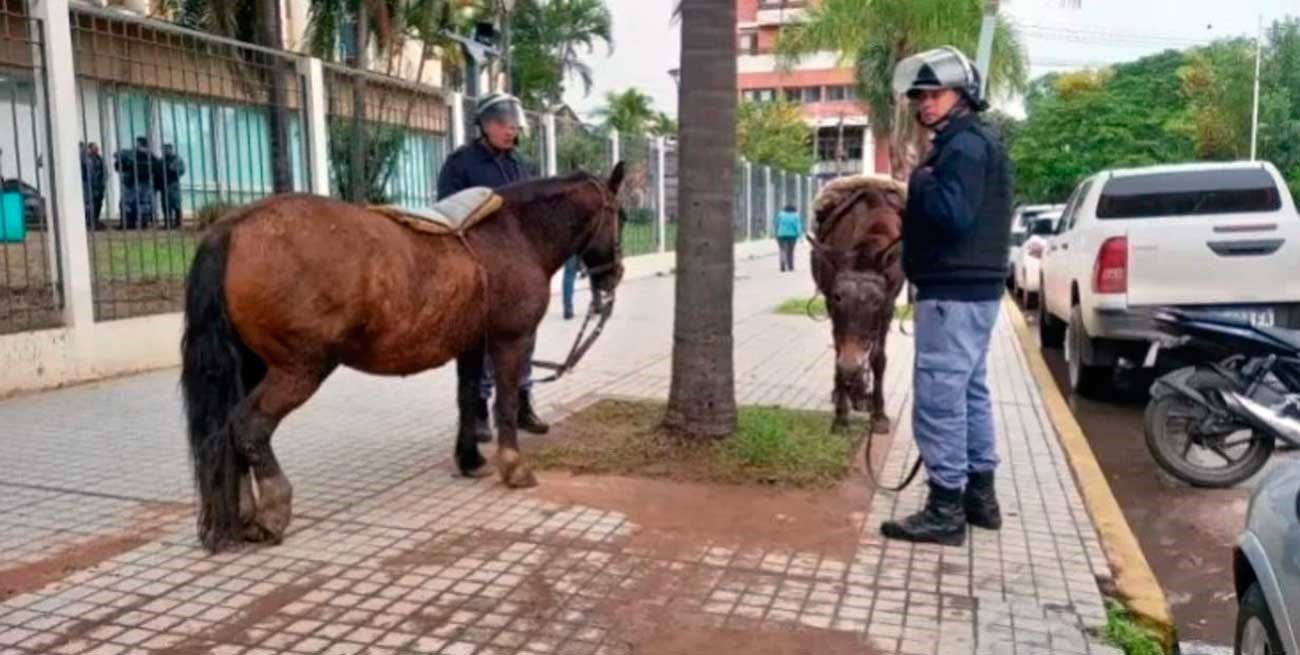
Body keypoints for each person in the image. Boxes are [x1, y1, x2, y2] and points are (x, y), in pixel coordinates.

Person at [879, 47, 1013, 546]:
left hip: (952, 294)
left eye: (935, 93)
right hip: (975, 292)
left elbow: (953, 215)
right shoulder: (980, 143)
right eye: (920, 96)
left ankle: (945, 510)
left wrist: (918, 179)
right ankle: (981, 498)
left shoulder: (961, 148)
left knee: (939, 399)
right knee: (969, 393)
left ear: (963, 95)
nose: (925, 103)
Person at [436, 92, 549, 440]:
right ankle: (479, 413)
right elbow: (447, 211)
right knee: (483, 344)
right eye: (502, 123)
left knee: (523, 339)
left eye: (513, 124)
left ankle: (521, 404)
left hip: (519, 269)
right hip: (480, 267)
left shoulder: (521, 165)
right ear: (484, 125)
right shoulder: (462, 164)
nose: (510, 130)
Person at [115, 137, 157, 230]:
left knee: (127, 203)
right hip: (146, 183)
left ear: (139, 144)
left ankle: (128, 224)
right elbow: (157, 169)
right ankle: (143, 223)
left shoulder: (131, 155)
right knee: (143, 203)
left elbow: (119, 165)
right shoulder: (151, 156)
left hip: (132, 183)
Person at [157, 143, 186, 229]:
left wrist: (172, 168)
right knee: (166, 206)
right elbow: (157, 173)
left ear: (170, 150)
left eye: (166, 149)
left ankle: (178, 223)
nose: (164, 151)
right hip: (164, 186)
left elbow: (181, 170)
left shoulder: (176, 159)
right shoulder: (161, 161)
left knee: (176, 204)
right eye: (163, 150)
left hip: (173, 185)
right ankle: (168, 224)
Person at [774, 203, 801, 272]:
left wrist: (776, 233)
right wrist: (799, 234)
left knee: (782, 250)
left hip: (781, 234)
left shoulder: (781, 214)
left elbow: (776, 223)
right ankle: (790, 266)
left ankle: (782, 264)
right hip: (792, 235)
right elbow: (797, 226)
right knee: (790, 251)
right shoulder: (796, 215)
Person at [87, 143, 106, 230]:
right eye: (94, 148)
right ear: (89, 149)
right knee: (90, 204)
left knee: (98, 204)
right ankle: (90, 221)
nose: (96, 150)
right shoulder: (86, 159)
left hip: (99, 186)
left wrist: (102, 184)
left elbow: (103, 172)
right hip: (89, 186)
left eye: (97, 148)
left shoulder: (99, 159)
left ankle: (95, 220)